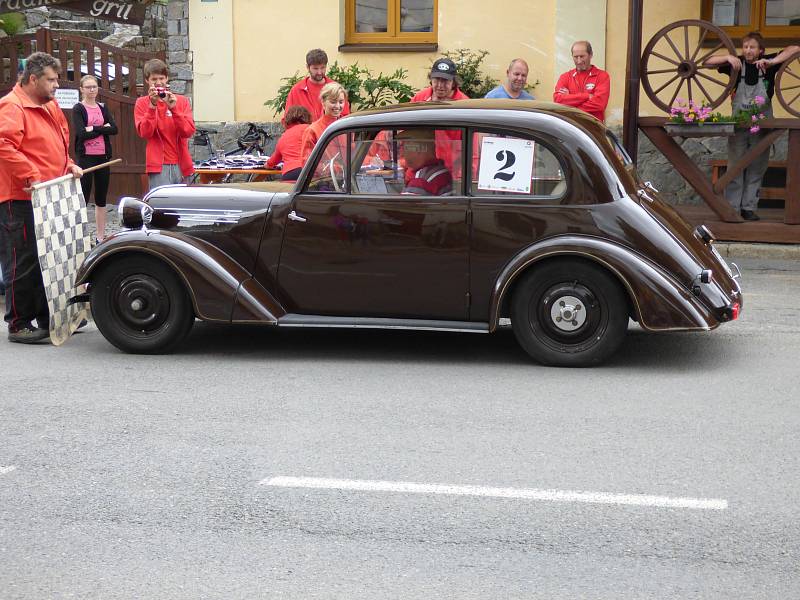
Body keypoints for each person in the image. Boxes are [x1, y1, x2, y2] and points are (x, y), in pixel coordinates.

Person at [0, 52, 83, 343]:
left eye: (56, 79)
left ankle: (49, 316)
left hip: (49, 194)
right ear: (32, 79)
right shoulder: (12, 106)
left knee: (50, 257)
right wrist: (31, 174)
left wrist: (69, 164)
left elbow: (59, 145)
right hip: (20, 196)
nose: (56, 84)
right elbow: (3, 145)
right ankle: (18, 323)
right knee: (22, 261)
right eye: (50, 79)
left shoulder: (50, 106)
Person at [704, 32, 800, 221]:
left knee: (757, 167)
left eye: (752, 47)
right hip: (739, 125)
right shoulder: (736, 64)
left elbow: (796, 49)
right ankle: (733, 207)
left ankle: (748, 207)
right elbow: (706, 63)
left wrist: (772, 62)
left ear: (761, 50)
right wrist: (727, 57)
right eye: (745, 46)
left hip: (763, 124)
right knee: (735, 165)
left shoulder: (769, 63)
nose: (748, 50)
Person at [134, 58, 196, 190]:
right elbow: (145, 133)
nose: (158, 83)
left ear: (167, 78)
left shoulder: (181, 101)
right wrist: (152, 106)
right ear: (147, 81)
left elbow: (188, 131)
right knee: (162, 208)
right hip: (159, 166)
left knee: (185, 207)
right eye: (154, 79)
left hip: (182, 164)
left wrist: (173, 109)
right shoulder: (142, 103)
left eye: (161, 78)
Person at [72, 75, 118, 242]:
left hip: (103, 157)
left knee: (101, 198)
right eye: (88, 87)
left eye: (95, 87)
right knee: (83, 198)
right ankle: (81, 238)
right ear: (82, 89)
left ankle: (100, 237)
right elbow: (82, 133)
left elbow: (114, 129)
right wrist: (102, 128)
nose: (92, 90)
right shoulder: (78, 108)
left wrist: (94, 128)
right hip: (86, 158)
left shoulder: (102, 107)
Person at [285, 49, 351, 122]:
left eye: (322, 68)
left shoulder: (336, 89)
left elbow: (345, 118)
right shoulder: (297, 90)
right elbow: (287, 120)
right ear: (308, 67)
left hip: (330, 132)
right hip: (304, 133)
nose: (319, 72)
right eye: (315, 68)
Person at [553, 41, 610, 122]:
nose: (579, 61)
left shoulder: (602, 76)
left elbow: (599, 104)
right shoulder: (565, 77)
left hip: (593, 127)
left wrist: (571, 106)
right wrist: (587, 96)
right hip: (571, 127)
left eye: (582, 56)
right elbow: (558, 100)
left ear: (590, 55)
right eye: (575, 57)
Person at [398, 129, 453, 196]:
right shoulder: (441, 171)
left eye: (404, 148)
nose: (402, 154)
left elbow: (404, 206)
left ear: (419, 149)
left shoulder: (421, 181)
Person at [300, 82, 347, 161]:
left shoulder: (348, 127)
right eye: (333, 102)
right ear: (323, 102)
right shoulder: (312, 130)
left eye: (341, 102)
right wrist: (338, 169)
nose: (338, 106)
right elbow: (307, 162)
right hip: (327, 173)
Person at [265, 105, 311, 181]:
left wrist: (267, 165)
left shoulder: (284, 136)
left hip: (290, 173)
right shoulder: (311, 129)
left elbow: (273, 160)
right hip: (310, 170)